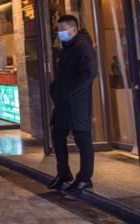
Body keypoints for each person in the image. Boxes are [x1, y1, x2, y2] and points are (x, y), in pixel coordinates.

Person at [47, 15, 97, 194]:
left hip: (78, 103)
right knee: (57, 136)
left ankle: (85, 178)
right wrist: (55, 88)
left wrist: (67, 91)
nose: (60, 32)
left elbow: (89, 73)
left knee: (82, 140)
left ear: (74, 29)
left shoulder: (83, 46)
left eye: (63, 28)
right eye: (58, 28)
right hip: (64, 103)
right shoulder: (68, 47)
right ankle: (63, 173)